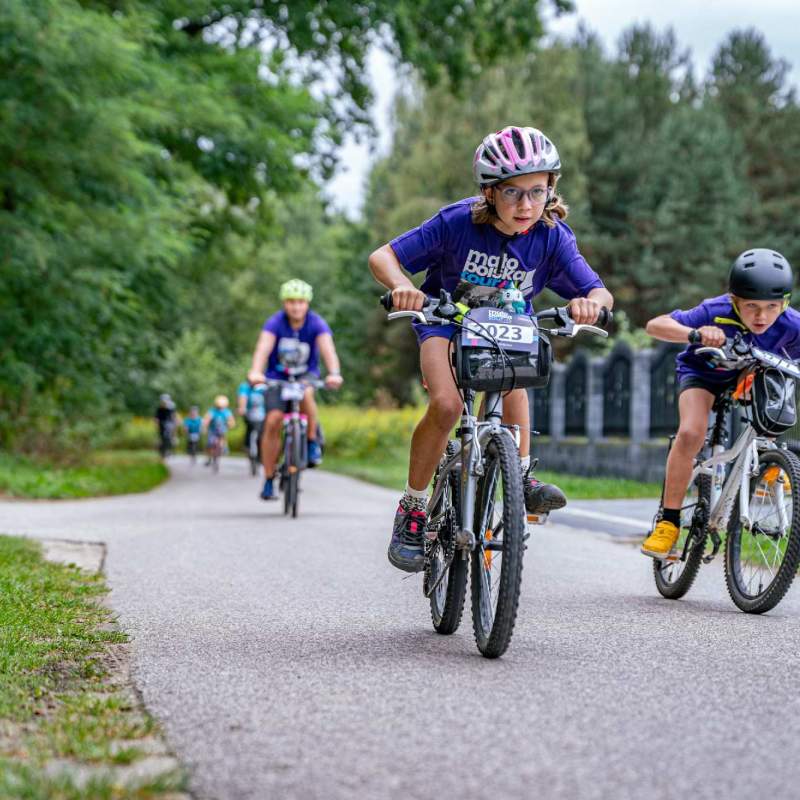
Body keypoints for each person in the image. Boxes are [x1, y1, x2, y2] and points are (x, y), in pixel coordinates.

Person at [368, 125, 614, 572]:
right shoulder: (456, 222)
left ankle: (521, 477)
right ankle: (414, 507)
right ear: (489, 192)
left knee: (515, 380)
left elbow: (599, 292)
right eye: (512, 192)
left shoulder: (553, 236)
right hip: (445, 324)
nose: (526, 205)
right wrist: (405, 288)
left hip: (508, 332)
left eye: (537, 191)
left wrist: (590, 305)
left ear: (551, 188)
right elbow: (382, 257)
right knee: (447, 405)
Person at [641, 248, 800, 558]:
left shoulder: (791, 325)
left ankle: (769, 460)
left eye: (771, 307)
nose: (761, 317)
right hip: (704, 374)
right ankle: (668, 524)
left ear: (784, 303)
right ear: (734, 300)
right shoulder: (714, 310)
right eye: (751, 306)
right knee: (692, 433)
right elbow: (655, 325)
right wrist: (695, 333)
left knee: (779, 394)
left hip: (750, 378)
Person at [247, 279, 344, 500]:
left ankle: (311, 441)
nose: (296, 306)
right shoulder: (275, 323)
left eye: (300, 302)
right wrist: (255, 371)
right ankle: (269, 478)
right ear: (284, 303)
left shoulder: (316, 323)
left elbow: (328, 350)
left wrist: (334, 373)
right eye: (291, 302)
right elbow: (262, 348)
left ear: (307, 303)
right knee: (273, 420)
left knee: (307, 394)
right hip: (277, 378)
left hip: (305, 376)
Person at [237, 380, 267, 461]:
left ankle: (261, 453)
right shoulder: (245, 386)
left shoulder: (264, 386)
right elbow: (242, 397)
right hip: (250, 414)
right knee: (250, 429)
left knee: (262, 433)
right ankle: (247, 446)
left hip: (263, 415)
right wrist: (242, 408)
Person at [203, 395, 235, 463]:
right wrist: (205, 427)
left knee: (222, 437)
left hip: (222, 429)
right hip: (212, 430)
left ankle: (223, 448)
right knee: (210, 443)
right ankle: (209, 457)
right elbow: (207, 419)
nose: (220, 408)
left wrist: (230, 424)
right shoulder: (212, 411)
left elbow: (231, 421)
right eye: (219, 407)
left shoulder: (227, 412)